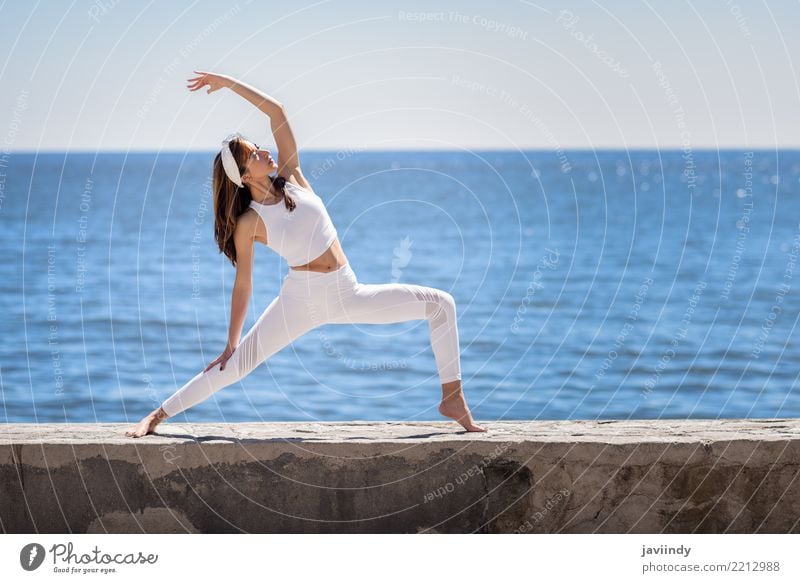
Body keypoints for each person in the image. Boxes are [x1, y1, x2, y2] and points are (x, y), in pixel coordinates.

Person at [125, 71, 486, 438]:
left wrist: (228, 84)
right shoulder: (250, 222)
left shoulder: (292, 177)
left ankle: (452, 398)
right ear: (245, 176)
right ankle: (156, 416)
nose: (265, 151)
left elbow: (277, 111)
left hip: (348, 292)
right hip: (301, 298)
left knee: (441, 304)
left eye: (259, 148)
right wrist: (232, 342)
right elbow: (243, 283)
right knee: (233, 367)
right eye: (254, 154)